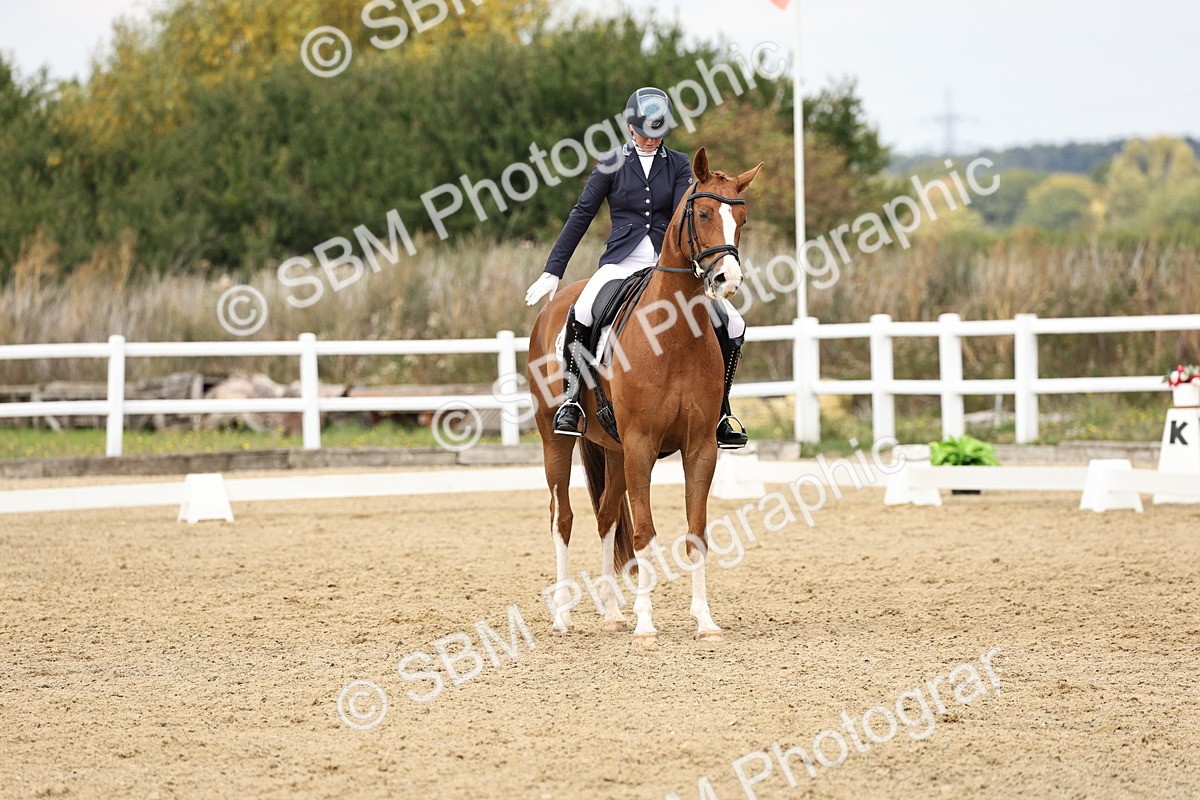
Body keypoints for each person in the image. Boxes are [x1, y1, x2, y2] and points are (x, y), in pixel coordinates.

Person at [525, 87, 748, 448]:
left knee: (734, 322)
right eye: (644, 132)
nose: (649, 139)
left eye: (657, 134)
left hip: (667, 263)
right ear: (630, 126)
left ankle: (721, 411)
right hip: (622, 262)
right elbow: (581, 215)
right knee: (581, 310)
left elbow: (685, 215)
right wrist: (554, 269)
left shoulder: (677, 164)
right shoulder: (611, 163)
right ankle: (572, 400)